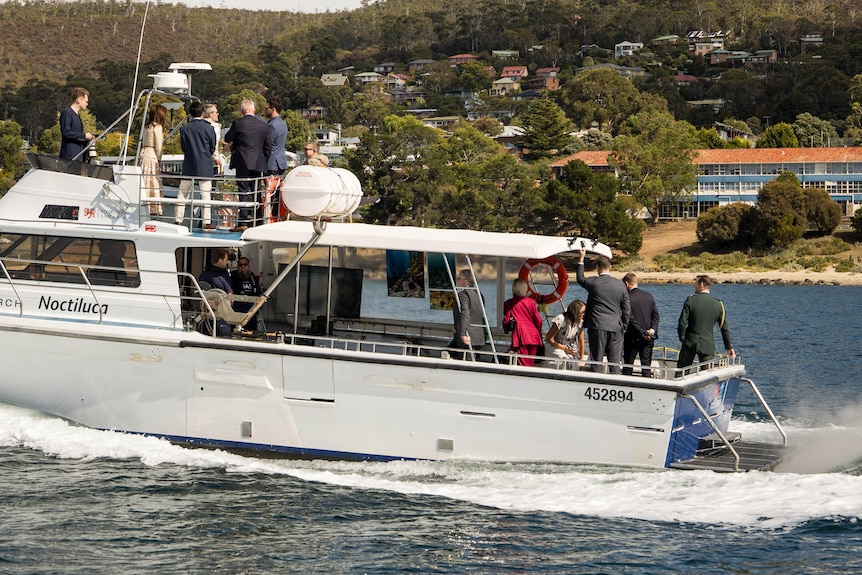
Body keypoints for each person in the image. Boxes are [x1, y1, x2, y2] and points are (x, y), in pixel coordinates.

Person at [576, 248, 630, 374]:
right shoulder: (621, 285)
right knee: (615, 362)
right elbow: (627, 309)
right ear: (610, 267)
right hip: (616, 327)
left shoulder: (594, 282)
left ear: (597, 267)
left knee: (596, 361)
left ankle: (596, 385)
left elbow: (580, 278)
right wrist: (624, 326)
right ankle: (616, 386)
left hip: (597, 325)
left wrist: (581, 258)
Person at [224, 98, 269, 231]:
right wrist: (263, 159)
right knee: (256, 191)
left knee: (243, 191)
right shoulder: (263, 125)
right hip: (258, 162)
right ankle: (257, 220)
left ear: (241, 110)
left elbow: (227, 138)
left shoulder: (238, 123)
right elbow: (268, 146)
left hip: (242, 162)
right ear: (254, 110)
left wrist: (233, 146)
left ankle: (243, 221)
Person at [677, 274, 735, 370]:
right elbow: (724, 328)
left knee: (681, 371)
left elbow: (682, 323)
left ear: (702, 285)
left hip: (690, 343)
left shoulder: (691, 300)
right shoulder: (718, 304)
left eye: (696, 283)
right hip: (707, 344)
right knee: (707, 374)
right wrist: (729, 347)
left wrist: (682, 339)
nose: (694, 286)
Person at [176, 101, 216, 230]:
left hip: (189, 165)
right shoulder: (209, 128)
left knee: (182, 193)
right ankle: (206, 222)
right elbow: (212, 147)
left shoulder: (184, 129)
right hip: (205, 165)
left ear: (190, 114)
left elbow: (184, 147)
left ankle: (178, 220)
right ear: (203, 113)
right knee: (205, 195)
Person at [622, 273, 660, 377]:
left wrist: (641, 332)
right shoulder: (648, 296)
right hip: (648, 337)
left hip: (632, 337)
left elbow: (630, 318)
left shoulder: (627, 298)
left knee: (628, 366)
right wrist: (652, 329)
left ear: (626, 284)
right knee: (646, 366)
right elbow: (656, 316)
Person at [502, 277, 543, 366]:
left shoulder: (509, 303)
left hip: (520, 335)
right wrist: (538, 332)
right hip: (533, 336)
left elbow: (506, 320)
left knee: (523, 363)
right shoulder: (531, 302)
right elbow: (539, 321)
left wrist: (506, 329)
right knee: (530, 363)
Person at [451, 269, 487, 359]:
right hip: (478, 334)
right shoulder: (479, 294)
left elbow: (465, 313)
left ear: (464, 280)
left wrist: (462, 333)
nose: (458, 281)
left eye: (459, 278)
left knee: (465, 361)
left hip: (467, 335)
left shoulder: (463, 295)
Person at [263, 96, 288, 222]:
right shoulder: (283, 123)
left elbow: (268, 145)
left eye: (266, 108)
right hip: (281, 161)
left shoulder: (272, 125)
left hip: (271, 163)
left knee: (270, 193)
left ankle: (271, 218)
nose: (265, 110)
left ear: (272, 109)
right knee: (278, 194)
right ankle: (278, 217)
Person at [140, 104, 168, 216]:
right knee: (154, 182)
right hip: (152, 156)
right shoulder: (158, 127)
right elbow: (159, 145)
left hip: (144, 154)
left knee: (145, 182)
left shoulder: (146, 127)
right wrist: (159, 157)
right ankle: (155, 208)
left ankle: (144, 205)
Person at [199, 248, 233, 336]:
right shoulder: (223, 277)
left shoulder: (203, 275)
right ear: (220, 260)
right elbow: (230, 296)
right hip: (221, 318)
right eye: (226, 260)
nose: (227, 262)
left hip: (205, 317)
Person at [545, 299, 586, 369]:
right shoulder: (561, 319)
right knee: (565, 362)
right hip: (554, 345)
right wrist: (564, 348)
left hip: (568, 346)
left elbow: (581, 341)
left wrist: (581, 359)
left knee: (574, 361)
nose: (583, 314)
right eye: (582, 312)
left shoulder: (580, 323)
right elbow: (549, 338)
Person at [59, 87, 95, 161]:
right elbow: (66, 132)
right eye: (86, 101)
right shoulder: (67, 112)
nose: (87, 104)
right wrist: (84, 136)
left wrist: (88, 138)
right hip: (69, 157)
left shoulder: (78, 116)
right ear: (78, 100)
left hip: (78, 157)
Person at [231, 256, 263, 332]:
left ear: (248, 266)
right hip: (236, 312)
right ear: (237, 266)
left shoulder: (252, 277)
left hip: (250, 313)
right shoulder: (232, 276)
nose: (243, 267)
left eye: (245, 264)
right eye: (240, 265)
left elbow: (257, 292)